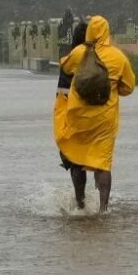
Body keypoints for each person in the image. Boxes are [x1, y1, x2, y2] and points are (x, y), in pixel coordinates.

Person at [58, 15, 136, 212]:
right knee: (102, 163)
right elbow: (128, 88)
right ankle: (103, 208)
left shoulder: (79, 53)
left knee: (77, 159)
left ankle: (80, 204)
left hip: (79, 118)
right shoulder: (118, 57)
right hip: (104, 120)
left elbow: (65, 67)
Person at [54, 18, 88, 170]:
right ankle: (102, 193)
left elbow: (61, 93)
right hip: (95, 114)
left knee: (74, 160)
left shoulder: (70, 58)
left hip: (71, 113)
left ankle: (79, 194)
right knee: (98, 161)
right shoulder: (101, 56)